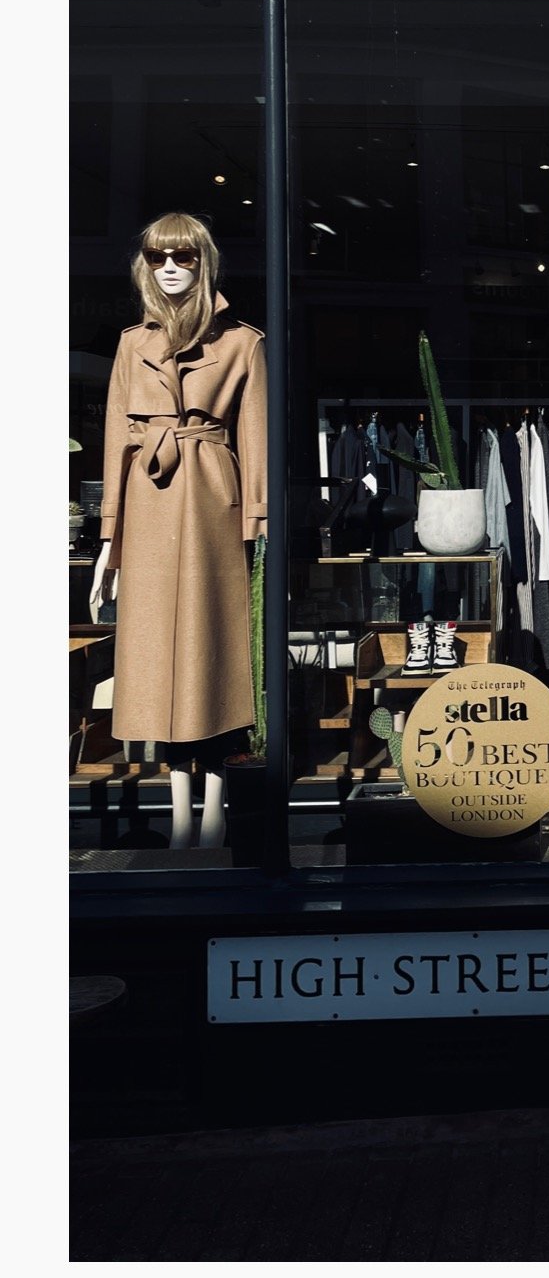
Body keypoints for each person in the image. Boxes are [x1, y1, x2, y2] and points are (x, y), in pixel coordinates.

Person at [90, 213, 267, 848]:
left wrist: (258, 525)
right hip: (146, 506)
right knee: (157, 660)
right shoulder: (129, 344)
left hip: (213, 502)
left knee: (211, 653)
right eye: (159, 257)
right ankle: (179, 812)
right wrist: (109, 539)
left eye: (183, 258)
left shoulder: (243, 343)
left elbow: (256, 437)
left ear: (202, 264)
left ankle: (214, 810)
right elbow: (115, 438)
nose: (170, 267)